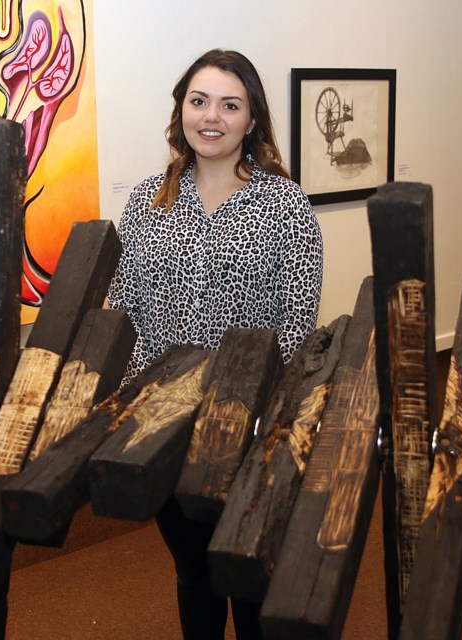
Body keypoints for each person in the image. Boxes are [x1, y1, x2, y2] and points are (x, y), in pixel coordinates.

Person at [108, 49, 323, 639]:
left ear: (251, 119)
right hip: (163, 425)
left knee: (246, 568)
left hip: (249, 427)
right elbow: (122, 306)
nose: (211, 117)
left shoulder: (285, 206)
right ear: (180, 110)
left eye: (230, 105)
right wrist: (134, 410)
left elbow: (296, 325)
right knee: (193, 568)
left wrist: (269, 425)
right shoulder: (149, 202)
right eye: (198, 101)